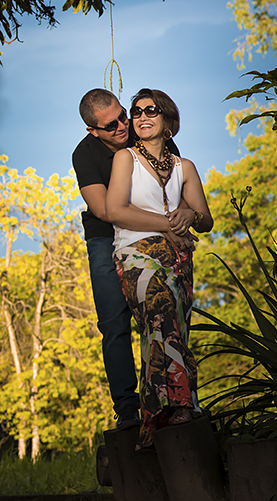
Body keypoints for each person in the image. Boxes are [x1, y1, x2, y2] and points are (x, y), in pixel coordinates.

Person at [104, 88, 212, 449]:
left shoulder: (186, 167)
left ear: (168, 119)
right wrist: (169, 223)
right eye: (136, 112)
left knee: (168, 331)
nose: (141, 117)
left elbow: (205, 219)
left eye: (151, 110)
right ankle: (182, 404)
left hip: (178, 258)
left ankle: (156, 417)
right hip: (135, 253)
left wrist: (189, 214)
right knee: (159, 316)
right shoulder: (125, 159)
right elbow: (115, 210)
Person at [73, 88, 162, 430]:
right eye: (111, 126)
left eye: (124, 115)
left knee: (159, 318)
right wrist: (158, 218)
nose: (124, 126)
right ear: (93, 131)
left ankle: (165, 399)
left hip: (152, 232)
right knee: (113, 323)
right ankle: (127, 408)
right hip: (105, 236)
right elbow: (103, 210)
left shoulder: (146, 134)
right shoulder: (84, 155)